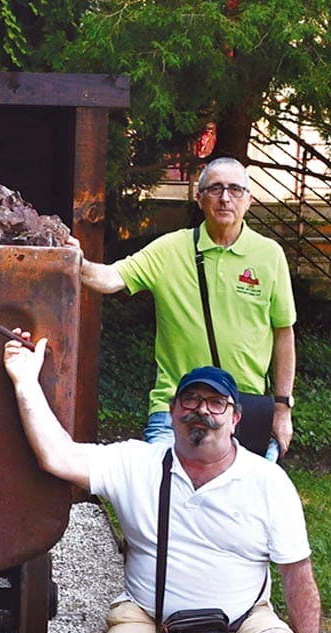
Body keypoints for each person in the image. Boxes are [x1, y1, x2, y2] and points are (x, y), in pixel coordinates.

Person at [3, 340, 322, 633]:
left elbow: (297, 572)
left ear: (235, 418)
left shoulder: (268, 482)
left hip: (242, 620)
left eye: (216, 403)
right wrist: (24, 381)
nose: (201, 412)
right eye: (190, 400)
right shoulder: (138, 462)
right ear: (172, 412)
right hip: (152, 617)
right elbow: (57, 455)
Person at [74, 157, 296, 460]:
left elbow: (283, 334)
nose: (225, 197)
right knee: (166, 496)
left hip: (241, 412)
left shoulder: (269, 255)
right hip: (178, 408)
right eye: (215, 188)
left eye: (235, 189)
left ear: (249, 200)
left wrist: (282, 409)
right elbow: (110, 278)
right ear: (199, 198)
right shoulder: (170, 249)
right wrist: (71, 259)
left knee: (238, 506)